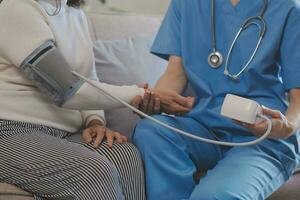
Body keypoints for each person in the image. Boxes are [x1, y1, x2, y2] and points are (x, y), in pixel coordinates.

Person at [133, 0, 300, 199]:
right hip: (202, 128)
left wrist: (285, 127)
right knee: (151, 130)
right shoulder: (186, 4)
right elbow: (175, 74)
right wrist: (156, 101)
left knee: (214, 196)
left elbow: (298, 100)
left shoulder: (288, 7)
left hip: (262, 138)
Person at [0, 0, 157, 199]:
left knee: (126, 156)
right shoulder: (16, 8)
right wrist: (138, 95)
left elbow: (88, 78)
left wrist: (94, 121)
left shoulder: (74, 13)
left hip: (63, 134)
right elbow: (65, 89)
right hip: (9, 132)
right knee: (94, 172)